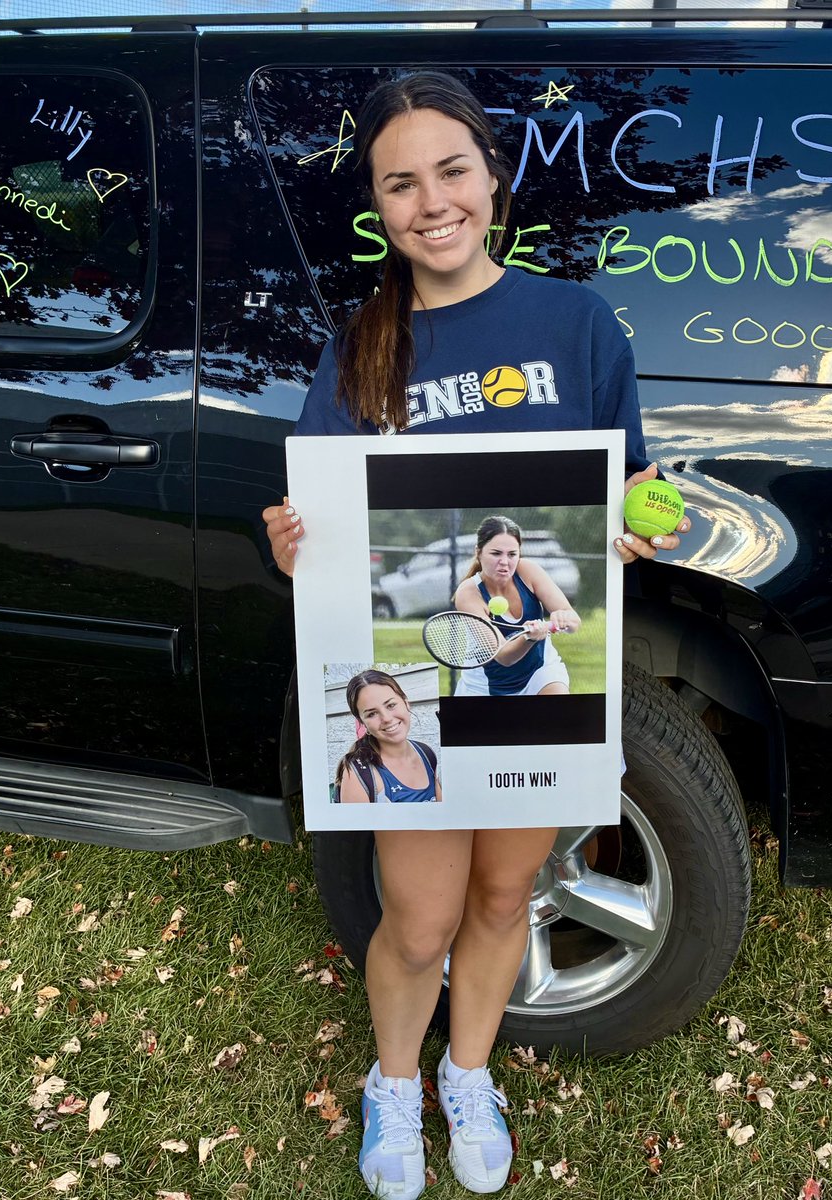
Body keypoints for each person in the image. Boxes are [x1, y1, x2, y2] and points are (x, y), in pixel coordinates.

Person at [262, 71, 690, 1199]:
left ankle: (467, 1074)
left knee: (505, 898)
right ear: (378, 205)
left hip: (537, 709)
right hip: (428, 704)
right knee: (419, 923)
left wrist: (635, 525)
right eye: (400, 183)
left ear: (492, 177)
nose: (431, 202)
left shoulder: (576, 323)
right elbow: (330, 534)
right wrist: (297, 548)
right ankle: (393, 1085)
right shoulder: (360, 346)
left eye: (451, 170)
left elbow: (620, 490)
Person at [453, 514, 580, 698]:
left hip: (540, 671)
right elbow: (504, 656)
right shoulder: (468, 592)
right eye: (496, 553)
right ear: (478, 552)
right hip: (485, 687)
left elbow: (574, 621)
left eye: (512, 554)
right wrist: (529, 638)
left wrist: (565, 618)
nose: (505, 562)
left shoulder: (529, 570)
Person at [335, 669, 442, 804]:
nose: (386, 718)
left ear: (406, 702)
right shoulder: (358, 774)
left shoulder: (427, 754)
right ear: (362, 723)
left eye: (391, 705)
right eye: (372, 714)